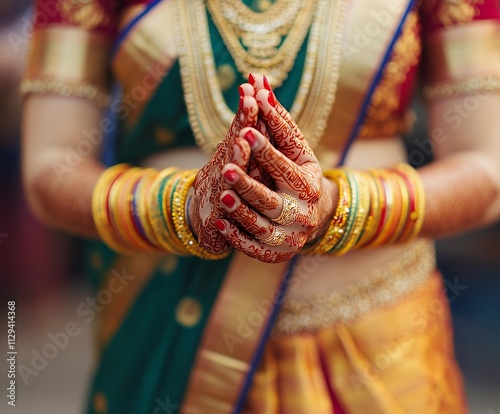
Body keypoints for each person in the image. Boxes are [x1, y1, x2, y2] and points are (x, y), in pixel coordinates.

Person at [21, 0, 500, 412]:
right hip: (173, 341)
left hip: (380, 352)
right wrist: (181, 209)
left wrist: (337, 209)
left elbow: (486, 169)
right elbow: (50, 167)